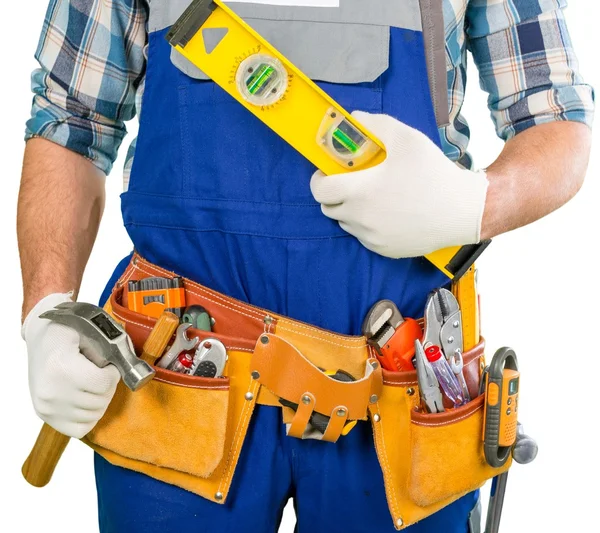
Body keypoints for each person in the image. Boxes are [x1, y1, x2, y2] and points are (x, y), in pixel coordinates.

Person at [17, 1, 593, 532]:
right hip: (179, 384)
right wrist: (45, 308)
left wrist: (473, 205)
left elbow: (558, 121)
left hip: (401, 394)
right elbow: (72, 122)